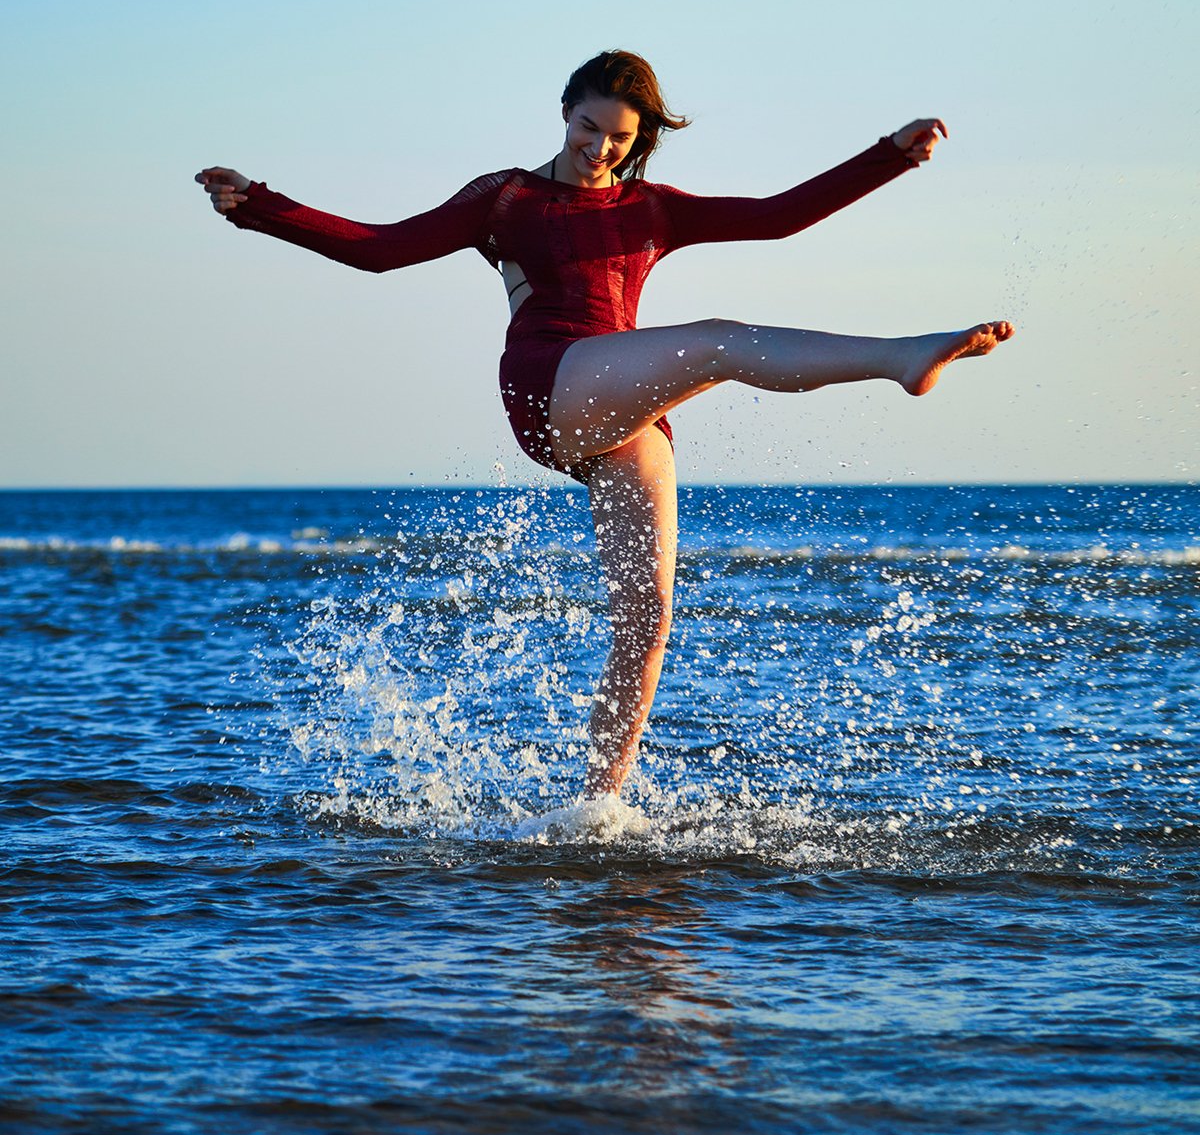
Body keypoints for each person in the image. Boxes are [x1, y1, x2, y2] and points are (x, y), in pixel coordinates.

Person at [196, 50, 1013, 801]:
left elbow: (779, 215)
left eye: (620, 137)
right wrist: (260, 207)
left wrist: (892, 157)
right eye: (589, 127)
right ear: (563, 111)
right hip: (550, 382)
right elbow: (381, 249)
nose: (600, 148)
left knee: (648, 620)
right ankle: (903, 357)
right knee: (718, 344)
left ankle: (599, 807)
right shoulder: (507, 198)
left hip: (629, 409)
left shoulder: (653, 208)